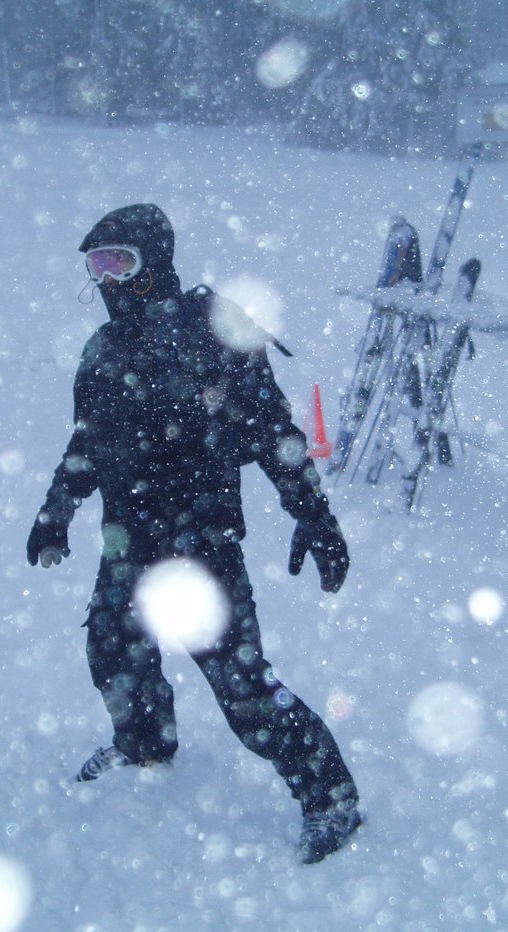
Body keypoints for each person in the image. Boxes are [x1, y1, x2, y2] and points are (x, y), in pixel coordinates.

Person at [27, 203, 360, 864]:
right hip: (129, 540)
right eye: (97, 266)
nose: (108, 281)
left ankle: (331, 797)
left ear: (154, 264)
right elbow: (87, 442)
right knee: (113, 648)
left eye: (119, 262)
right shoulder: (103, 350)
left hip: (201, 543)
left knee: (245, 691)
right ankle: (145, 741)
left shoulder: (216, 331)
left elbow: (277, 436)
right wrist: (55, 511)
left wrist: (315, 517)